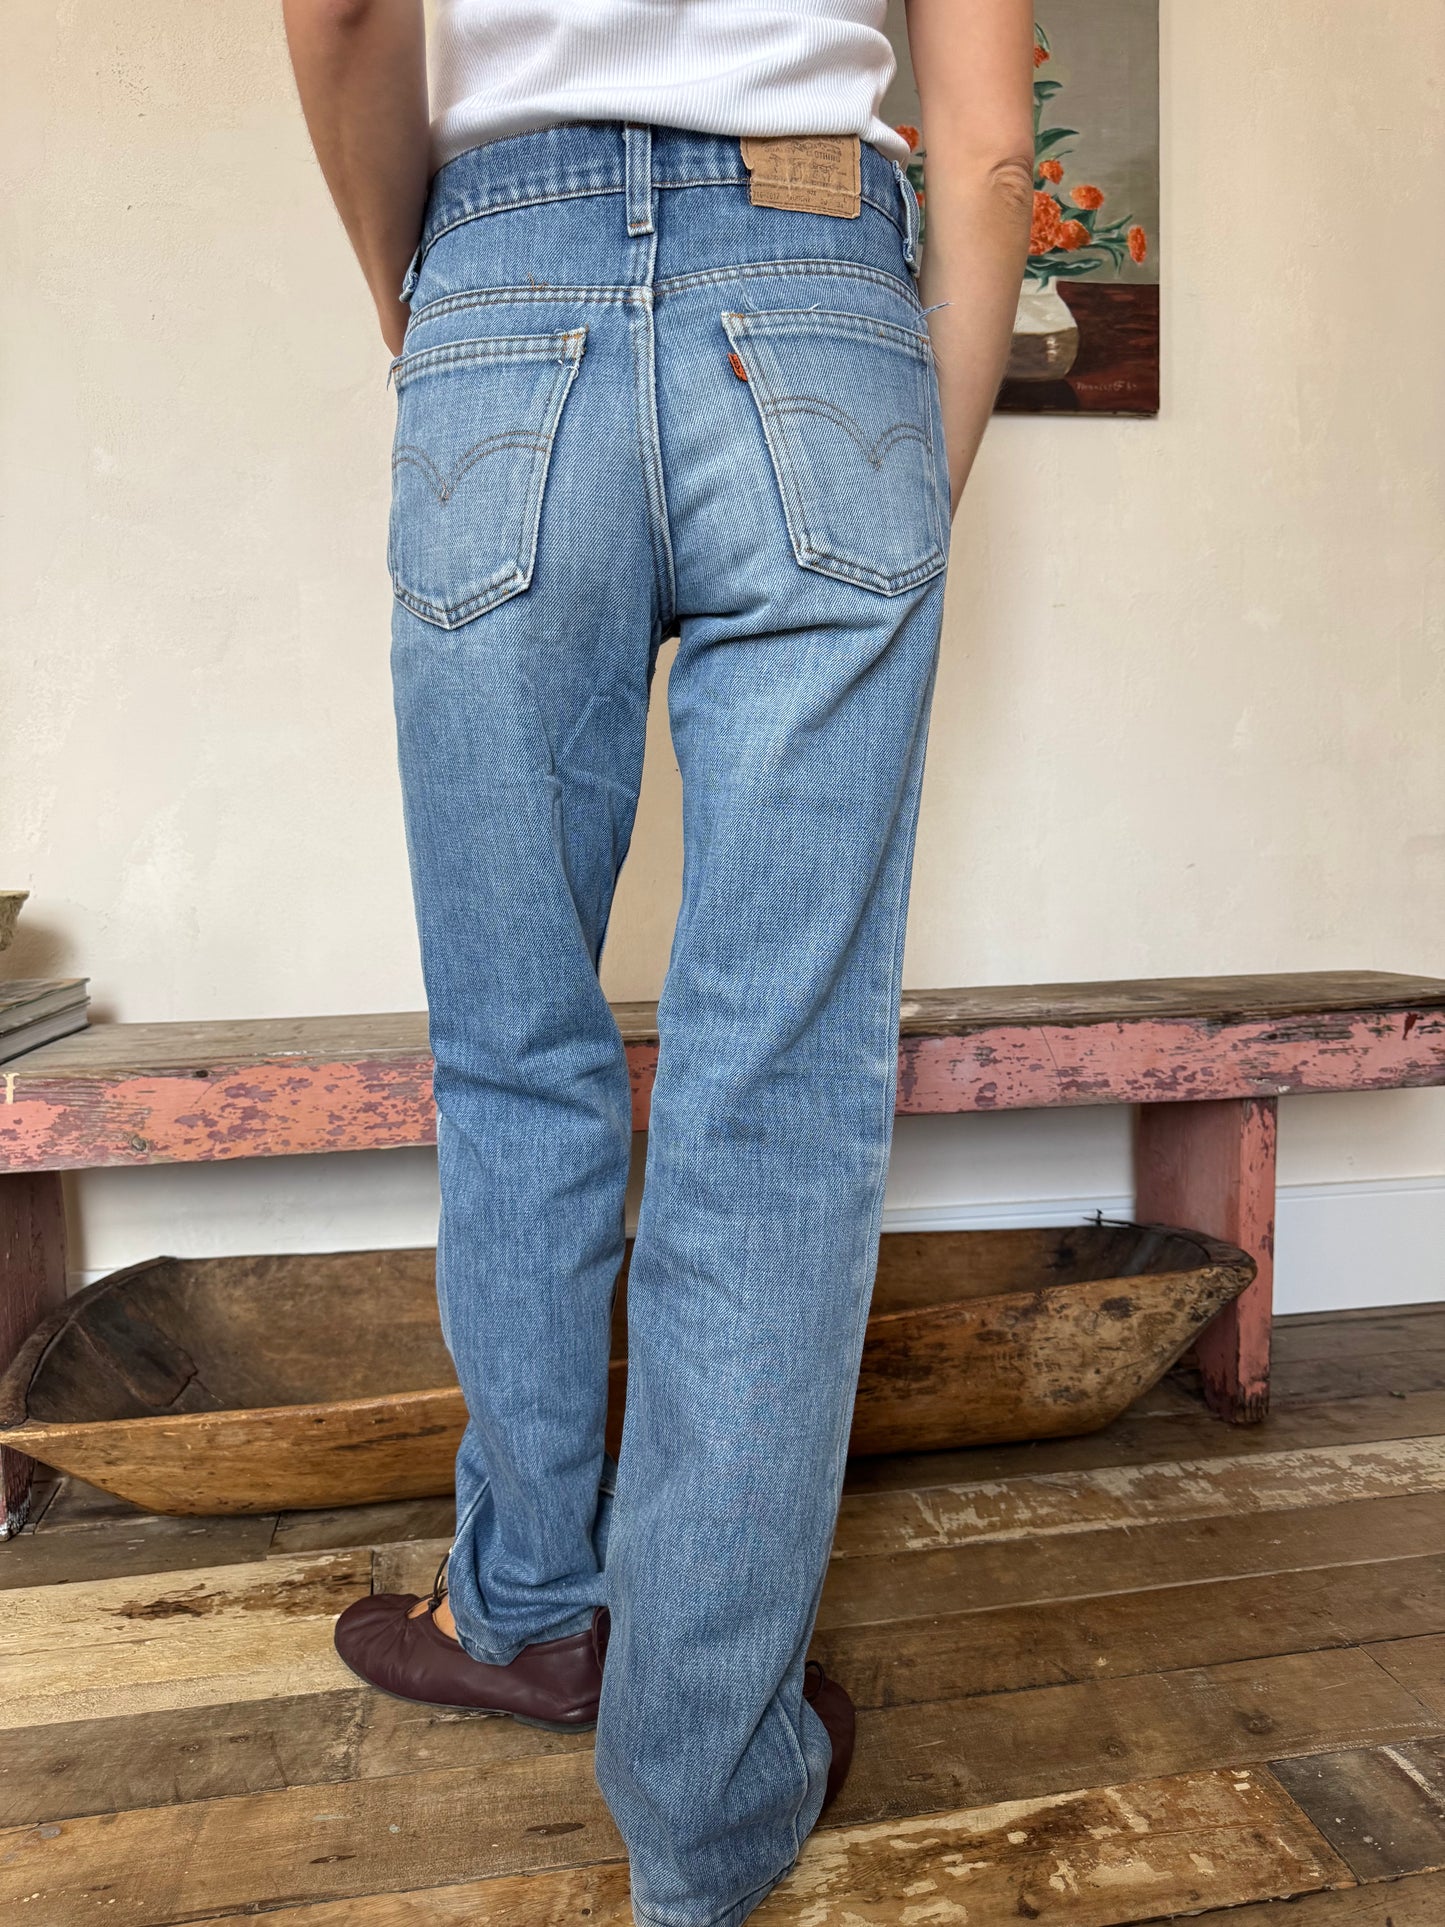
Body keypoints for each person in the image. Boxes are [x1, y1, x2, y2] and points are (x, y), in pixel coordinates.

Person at [282, 3, 1033, 1921]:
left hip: (500, 280)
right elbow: (984, 142)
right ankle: (701, 1804)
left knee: (512, 1045)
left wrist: (427, 292)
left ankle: (534, 1610)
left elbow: (346, 13)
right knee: (770, 1097)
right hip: (820, 288)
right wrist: (905, 475)